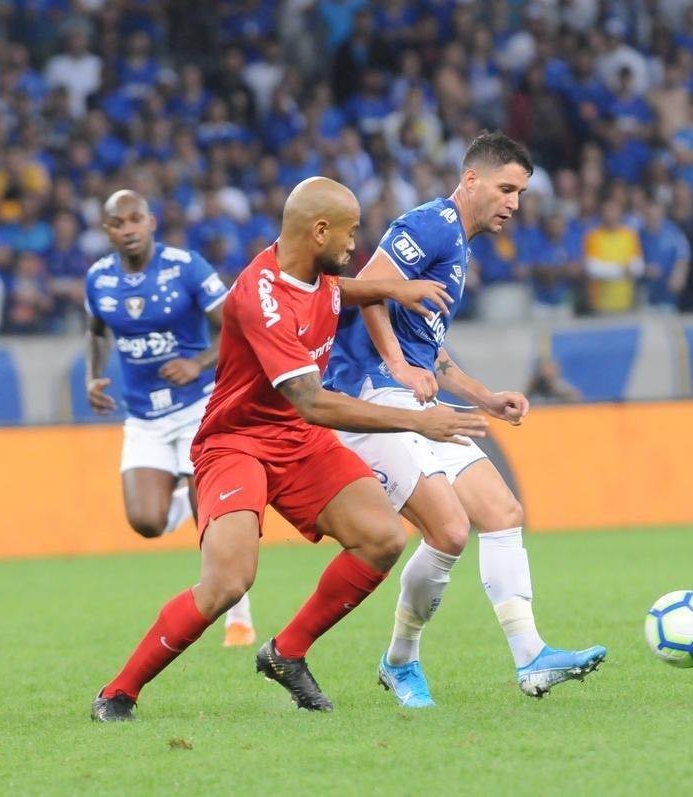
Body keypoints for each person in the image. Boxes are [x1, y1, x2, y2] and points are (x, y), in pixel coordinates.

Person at [90, 177, 484, 722]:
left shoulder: (314, 273)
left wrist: (393, 289)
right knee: (228, 583)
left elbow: (339, 290)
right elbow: (312, 402)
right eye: (349, 234)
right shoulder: (261, 296)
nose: (355, 246)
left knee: (382, 538)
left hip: (299, 444)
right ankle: (118, 692)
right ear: (319, 230)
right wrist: (420, 421)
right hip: (238, 444)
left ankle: (287, 652)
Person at [325, 132, 607, 708]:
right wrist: (400, 367)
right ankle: (401, 661)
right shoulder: (430, 224)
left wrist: (484, 397)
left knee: (502, 513)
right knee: (450, 530)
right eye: (506, 188)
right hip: (372, 396)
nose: (514, 203)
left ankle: (531, 657)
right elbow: (369, 289)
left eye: (522, 193)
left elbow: (433, 350)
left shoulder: (458, 245)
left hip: (415, 396)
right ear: (471, 180)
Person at [84, 189, 255, 647]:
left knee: (213, 518)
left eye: (135, 219)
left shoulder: (186, 267)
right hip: (143, 418)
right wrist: (93, 376)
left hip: (199, 406)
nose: (128, 229)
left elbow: (236, 327)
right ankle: (182, 489)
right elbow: (97, 331)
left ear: (151, 221)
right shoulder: (99, 278)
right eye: (118, 223)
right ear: (107, 231)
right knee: (145, 521)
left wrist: (196, 363)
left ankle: (238, 616)